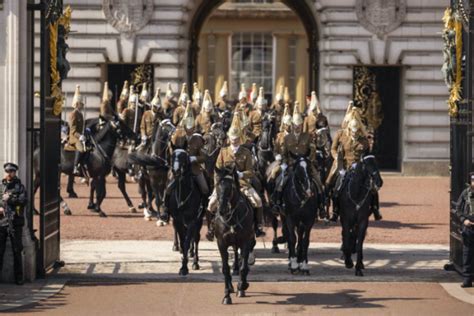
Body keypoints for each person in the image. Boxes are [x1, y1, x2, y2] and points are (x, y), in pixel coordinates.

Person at [208, 112, 266, 238]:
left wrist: (241, 175)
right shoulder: (223, 152)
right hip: (225, 184)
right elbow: (217, 169)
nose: (234, 141)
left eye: (236, 139)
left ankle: (257, 226)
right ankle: (211, 227)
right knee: (211, 204)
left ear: (240, 139)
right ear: (229, 138)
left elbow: (251, 171)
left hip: (242, 184)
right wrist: (218, 184)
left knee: (258, 201)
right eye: (232, 139)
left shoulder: (246, 153)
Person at [159, 100, 209, 224]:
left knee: (205, 188)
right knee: (169, 187)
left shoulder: (198, 139)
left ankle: (204, 210)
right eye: (187, 127)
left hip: (194, 168)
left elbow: (204, 157)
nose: (189, 130)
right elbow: (171, 150)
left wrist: (194, 159)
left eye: (191, 127)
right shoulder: (177, 135)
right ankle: (165, 209)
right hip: (179, 168)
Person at [328, 108, 371, 222]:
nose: (355, 133)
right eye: (353, 131)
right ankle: (335, 211)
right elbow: (333, 149)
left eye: (357, 131)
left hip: (359, 167)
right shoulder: (342, 136)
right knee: (336, 187)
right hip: (345, 166)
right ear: (349, 129)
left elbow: (368, 154)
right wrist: (337, 158)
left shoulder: (364, 140)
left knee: (371, 186)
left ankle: (375, 208)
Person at [0, 163, 27, 285]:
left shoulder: (19, 187)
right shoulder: (1, 187)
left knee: (17, 250)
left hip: (15, 222)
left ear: (15, 172)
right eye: (7, 171)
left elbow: (23, 201)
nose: (9, 174)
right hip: (2, 222)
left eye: (11, 171)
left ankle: (19, 277)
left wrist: (9, 199)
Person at [456, 173, 474, 288]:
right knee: (467, 254)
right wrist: (464, 220)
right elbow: (458, 209)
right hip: (469, 226)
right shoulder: (465, 193)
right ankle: (467, 279)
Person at [70, 85, 87, 176]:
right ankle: (75, 167)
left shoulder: (80, 114)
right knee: (81, 149)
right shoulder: (73, 114)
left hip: (80, 135)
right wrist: (79, 136)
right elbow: (73, 130)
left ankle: (83, 165)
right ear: (77, 103)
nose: (82, 105)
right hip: (74, 138)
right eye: (81, 103)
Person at [139, 87, 162, 152]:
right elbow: (142, 127)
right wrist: (143, 135)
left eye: (157, 107)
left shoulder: (160, 115)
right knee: (140, 151)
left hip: (157, 139)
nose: (155, 108)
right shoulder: (146, 114)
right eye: (154, 106)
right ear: (151, 105)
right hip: (147, 138)